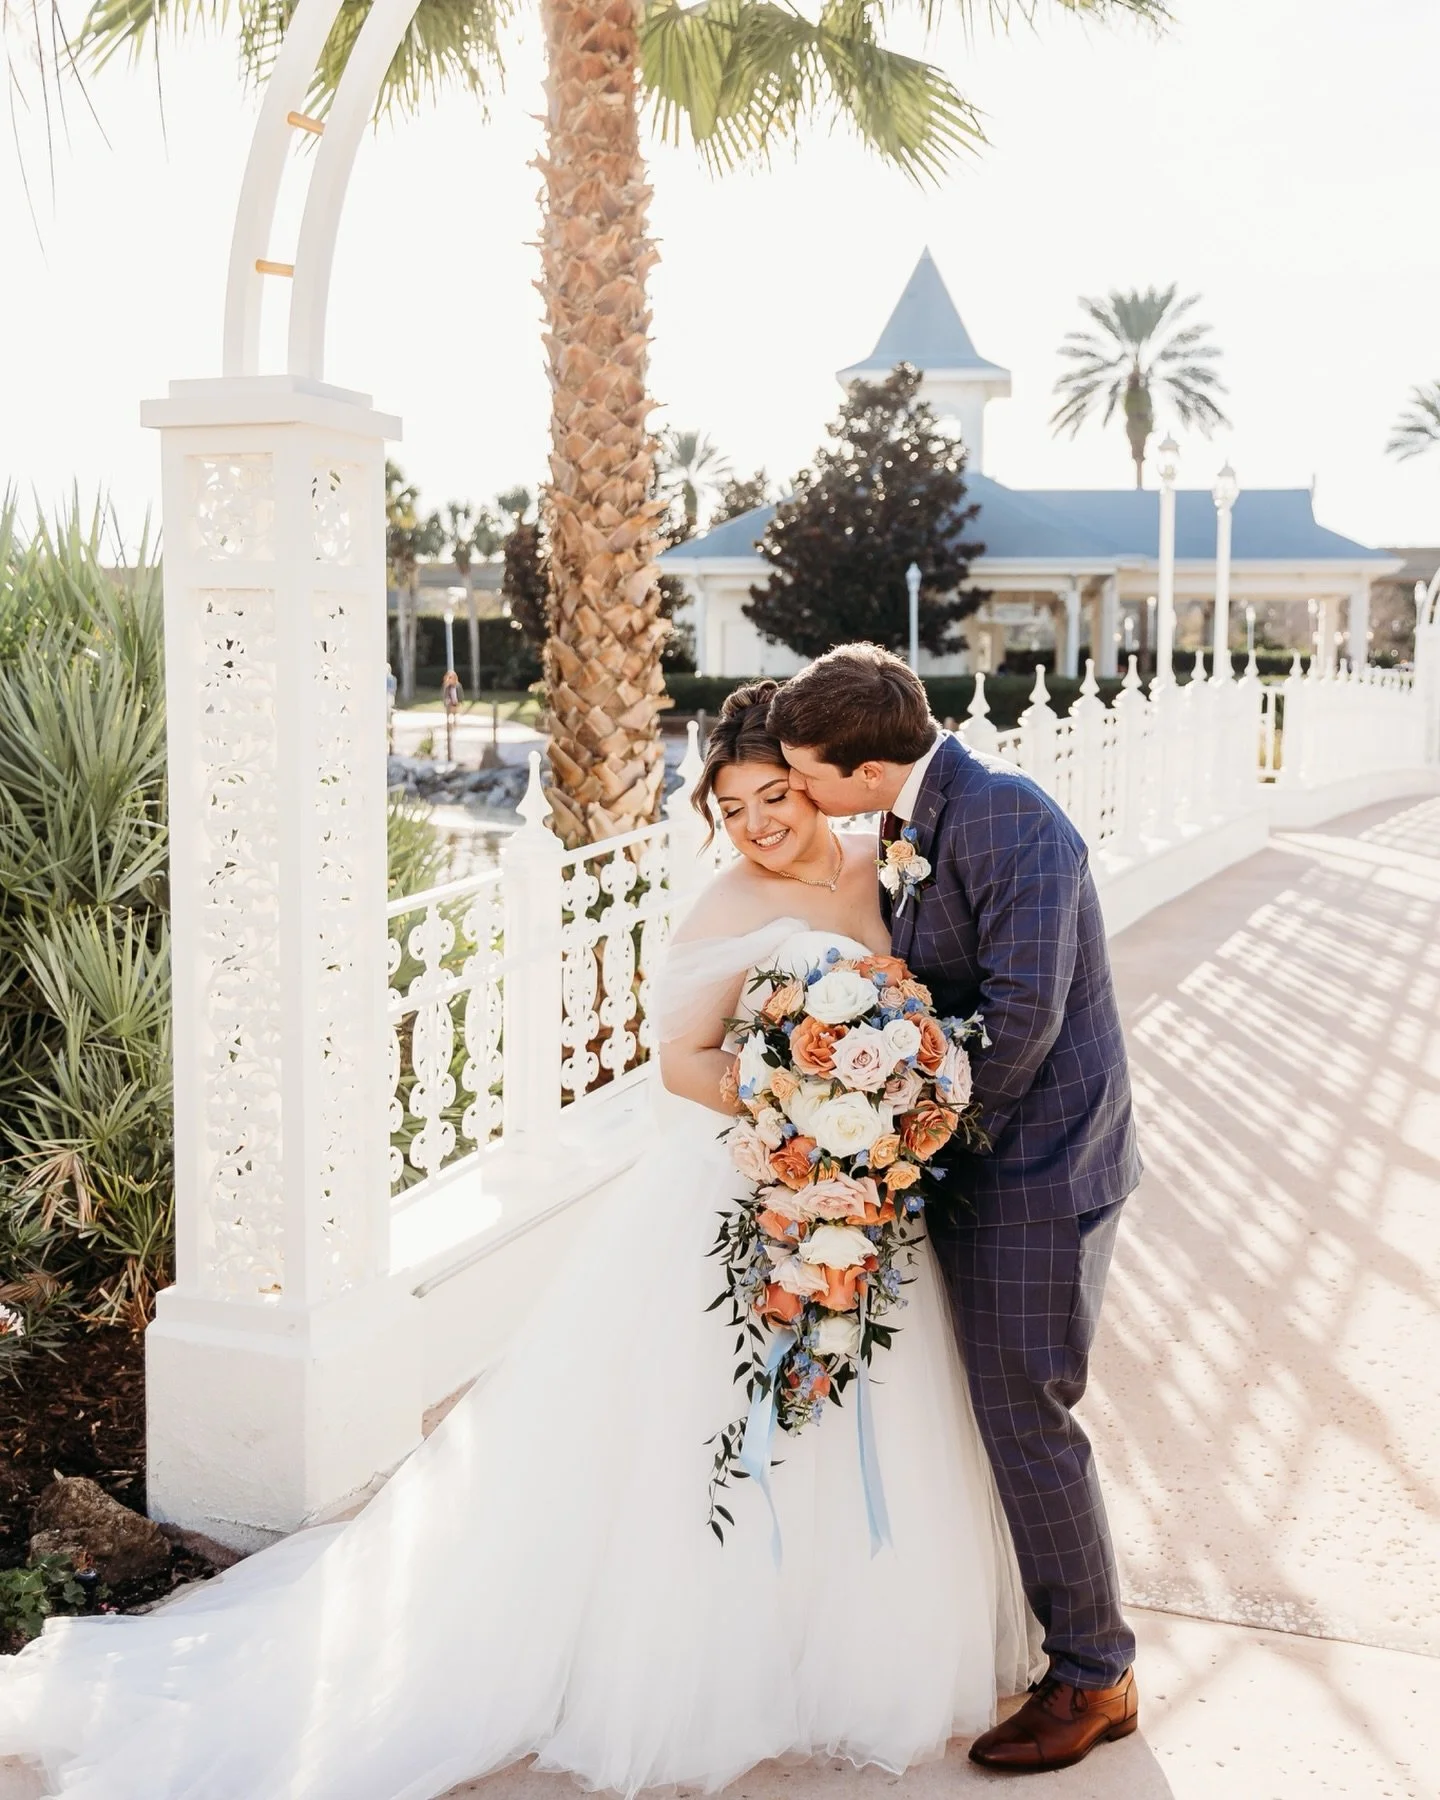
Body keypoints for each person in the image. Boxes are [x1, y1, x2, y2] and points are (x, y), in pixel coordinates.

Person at [0, 682, 1035, 1800]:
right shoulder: (724, 908)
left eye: (775, 795)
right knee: (711, 1429)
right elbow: (679, 1061)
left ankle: (842, 1642)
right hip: (747, 1188)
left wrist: (877, 1117)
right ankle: (711, 1659)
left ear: (822, 783)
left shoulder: (886, 867)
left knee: (866, 1409)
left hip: (867, 1197)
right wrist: (791, 1104)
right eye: (731, 806)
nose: (757, 823)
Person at [770, 644, 1142, 1777]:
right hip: (980, 1167)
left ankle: (1096, 1674)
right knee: (1003, 1418)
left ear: (870, 768)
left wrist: (892, 1115)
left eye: (808, 777)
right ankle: (1072, 1648)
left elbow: (1021, 1023)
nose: (802, 798)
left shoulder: (1009, 818)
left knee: (1030, 1419)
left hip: (1041, 1174)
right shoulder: (914, 818)